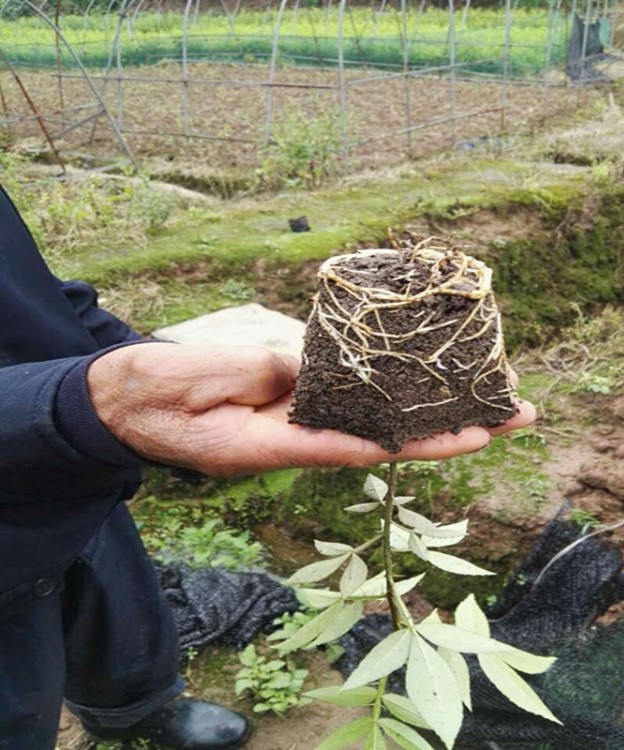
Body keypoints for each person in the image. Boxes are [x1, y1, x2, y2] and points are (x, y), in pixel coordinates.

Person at [0, 182, 536, 750]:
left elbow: (34, 295)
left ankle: (137, 710)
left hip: (80, 478)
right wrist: (75, 409)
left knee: (117, 608)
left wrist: (145, 366)